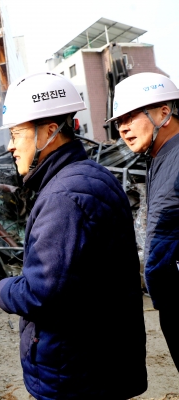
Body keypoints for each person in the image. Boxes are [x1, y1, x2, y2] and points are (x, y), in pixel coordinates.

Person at [0, 72, 147, 399]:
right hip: (98, 361)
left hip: (74, 372)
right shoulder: (90, 177)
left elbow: (42, 292)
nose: (10, 145)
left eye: (17, 134)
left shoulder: (64, 197)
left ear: (48, 132)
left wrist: (0, 290)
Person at [107, 72, 179, 370]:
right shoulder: (159, 156)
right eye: (119, 121)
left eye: (132, 116)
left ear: (164, 111)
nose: (123, 128)